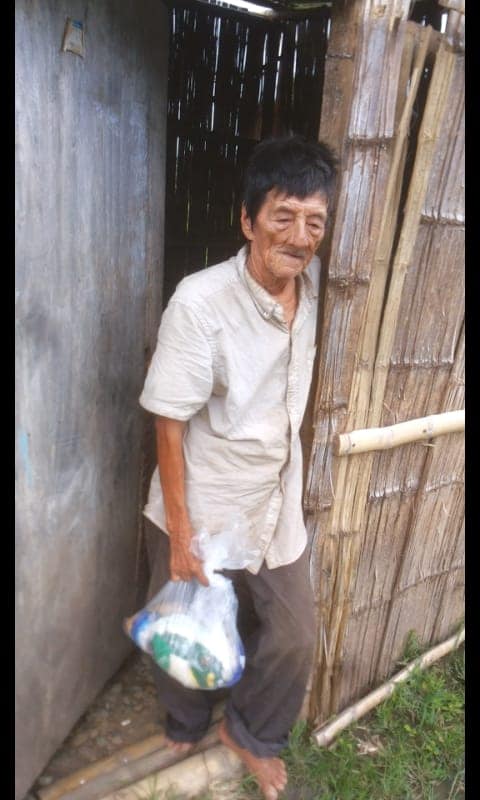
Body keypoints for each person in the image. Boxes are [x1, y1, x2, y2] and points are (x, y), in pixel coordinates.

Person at [139, 135, 338, 800]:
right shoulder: (201, 302)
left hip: (275, 497)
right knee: (183, 621)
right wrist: (181, 533)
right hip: (205, 496)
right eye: (284, 217)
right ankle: (186, 719)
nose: (300, 236)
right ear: (248, 221)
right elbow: (169, 422)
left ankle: (247, 731)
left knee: (294, 633)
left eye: (315, 222)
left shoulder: (314, 288)